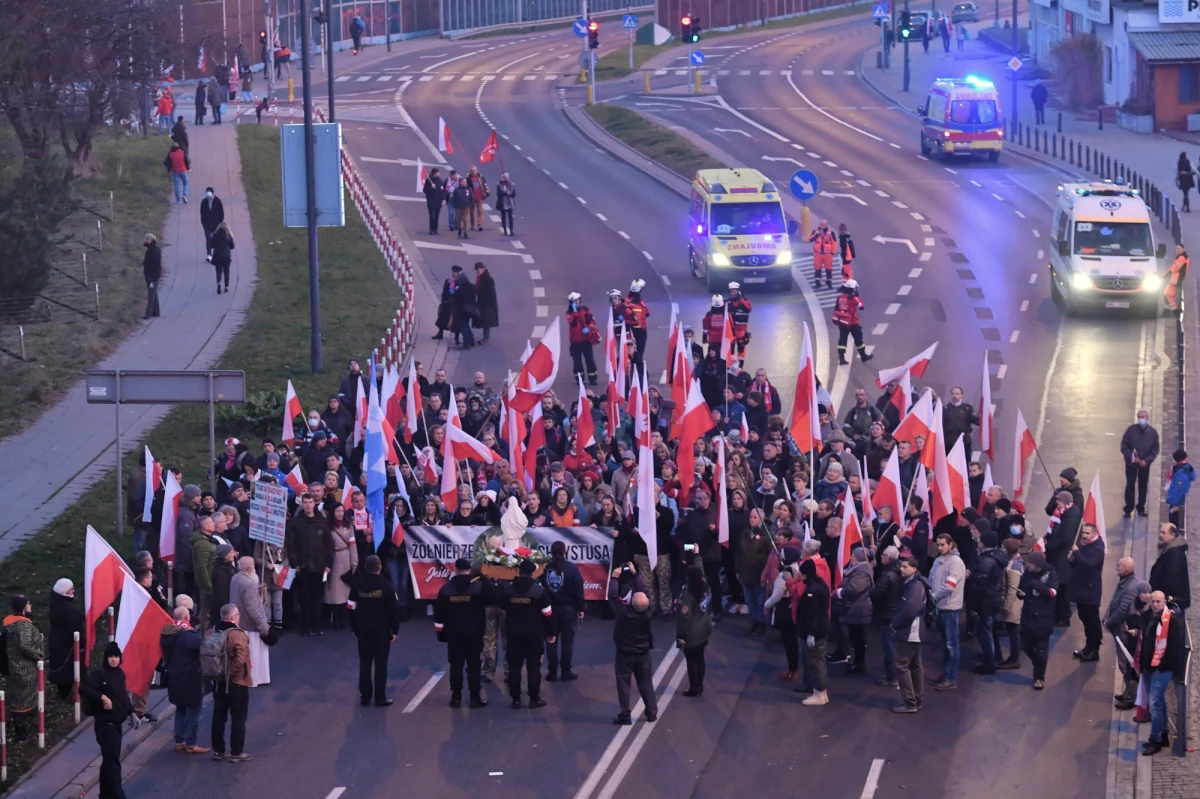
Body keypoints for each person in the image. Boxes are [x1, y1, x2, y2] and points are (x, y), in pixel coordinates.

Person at [497, 559, 556, 709]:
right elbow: (548, 614)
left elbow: (501, 605)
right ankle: (534, 698)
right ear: (532, 573)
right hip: (534, 635)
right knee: (534, 668)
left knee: (514, 667)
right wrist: (551, 632)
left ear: (519, 571)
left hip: (513, 635)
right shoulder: (539, 591)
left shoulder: (508, 590)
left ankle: (515, 699)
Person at [435, 558, 492, 708]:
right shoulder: (479, 587)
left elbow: (439, 614)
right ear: (469, 570)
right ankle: (474, 698)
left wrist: (440, 633)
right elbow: (494, 596)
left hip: (454, 634)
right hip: (474, 634)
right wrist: (485, 580)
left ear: (455, 569)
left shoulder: (446, 589)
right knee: (474, 666)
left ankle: (456, 697)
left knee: (456, 666)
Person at [79, 642, 132, 794]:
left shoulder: (120, 674)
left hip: (117, 724)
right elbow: (83, 688)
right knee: (113, 762)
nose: (113, 659)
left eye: (116, 656)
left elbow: (122, 696)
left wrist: (131, 711)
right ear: (106, 658)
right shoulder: (100, 674)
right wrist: (102, 697)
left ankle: (105, 794)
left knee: (109, 761)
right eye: (110, 656)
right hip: (106, 725)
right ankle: (117, 794)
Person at [1139, 591, 1187, 755]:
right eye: (1153, 601)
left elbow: (1175, 648)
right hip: (1148, 665)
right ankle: (1163, 734)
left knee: (1154, 704)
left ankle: (1156, 740)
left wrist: (1162, 664)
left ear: (1164, 602)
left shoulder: (1172, 621)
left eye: (1158, 601)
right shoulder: (1148, 617)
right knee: (1159, 702)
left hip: (1162, 667)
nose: (1155, 604)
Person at [349, 555, 401, 707]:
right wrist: (394, 630)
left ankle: (365, 697)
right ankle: (380, 697)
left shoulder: (357, 586)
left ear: (365, 568)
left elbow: (351, 608)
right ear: (380, 568)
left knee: (364, 663)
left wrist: (354, 628)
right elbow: (394, 611)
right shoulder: (387, 586)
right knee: (381, 665)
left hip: (363, 631)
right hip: (382, 632)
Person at [610, 563, 657, 725]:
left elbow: (613, 595)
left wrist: (615, 577)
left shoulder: (623, 613)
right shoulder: (648, 611)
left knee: (623, 683)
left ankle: (625, 714)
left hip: (625, 653)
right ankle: (651, 712)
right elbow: (645, 591)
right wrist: (636, 574)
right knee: (646, 683)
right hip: (643, 652)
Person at [286, 493, 333, 636]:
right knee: (304, 598)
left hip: (319, 566)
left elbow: (328, 544)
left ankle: (316, 625)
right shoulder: (296, 522)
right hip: (303, 566)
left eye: (310, 502)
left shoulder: (322, 521)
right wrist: (295, 564)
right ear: (302, 504)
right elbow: (291, 545)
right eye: (305, 502)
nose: (308, 505)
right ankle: (305, 626)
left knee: (317, 598)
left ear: (314, 504)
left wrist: (328, 563)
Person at [160, 606, 206, 754]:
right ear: (187, 618)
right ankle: (191, 744)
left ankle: (179, 741)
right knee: (194, 710)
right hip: (190, 678)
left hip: (174, 678)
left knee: (180, 709)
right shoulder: (189, 636)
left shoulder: (166, 634)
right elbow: (202, 644)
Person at [209, 605, 252, 762]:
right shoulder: (237, 634)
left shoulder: (212, 631)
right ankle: (236, 752)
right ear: (233, 618)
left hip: (217, 682)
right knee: (238, 718)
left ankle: (219, 751)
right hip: (237, 682)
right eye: (238, 615)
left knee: (219, 716)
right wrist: (230, 674)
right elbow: (241, 657)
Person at [965, 530, 1006, 675]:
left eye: (980, 540)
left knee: (985, 632)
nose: (978, 542)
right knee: (988, 630)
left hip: (986, 601)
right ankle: (994, 656)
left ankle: (989, 664)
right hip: (992, 599)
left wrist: (971, 577)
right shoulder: (996, 557)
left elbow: (980, 583)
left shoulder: (987, 561)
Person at [891, 557, 929, 713]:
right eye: (901, 566)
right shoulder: (915, 585)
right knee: (915, 666)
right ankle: (916, 699)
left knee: (902, 665)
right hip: (914, 629)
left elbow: (910, 609)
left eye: (905, 567)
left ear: (914, 568)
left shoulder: (915, 586)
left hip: (910, 630)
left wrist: (896, 623)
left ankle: (910, 702)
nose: (902, 569)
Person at [543, 541, 585, 682]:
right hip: (568, 610)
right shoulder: (572, 568)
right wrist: (580, 608)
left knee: (551, 640)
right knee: (567, 641)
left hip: (549, 610)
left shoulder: (545, 568)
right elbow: (578, 588)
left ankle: (552, 672)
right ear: (565, 551)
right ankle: (566, 671)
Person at [1018, 551, 1058, 690]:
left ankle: (1039, 677)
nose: (1028, 565)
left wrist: (1035, 584)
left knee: (1041, 650)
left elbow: (1052, 593)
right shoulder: (1028, 573)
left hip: (1043, 618)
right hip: (1028, 616)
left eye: (1031, 563)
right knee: (1025, 645)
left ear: (1038, 565)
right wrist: (1020, 593)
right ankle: (1038, 663)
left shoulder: (1051, 573)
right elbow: (1022, 586)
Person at [928, 533, 964, 690]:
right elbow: (932, 578)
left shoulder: (955, 563)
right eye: (939, 544)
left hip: (949, 608)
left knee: (951, 645)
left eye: (943, 544)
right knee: (945, 645)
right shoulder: (938, 560)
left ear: (951, 544)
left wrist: (934, 596)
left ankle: (951, 678)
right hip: (940, 607)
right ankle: (946, 674)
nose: (940, 547)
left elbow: (950, 585)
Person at [795, 557, 832, 706]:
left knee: (815, 662)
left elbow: (813, 614)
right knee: (819, 661)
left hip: (815, 633)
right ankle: (821, 692)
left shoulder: (812, 590)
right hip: (820, 630)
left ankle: (820, 693)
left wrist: (811, 632)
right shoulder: (819, 584)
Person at [1105, 558, 1141, 708]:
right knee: (1124, 664)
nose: (1116, 567)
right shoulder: (1125, 582)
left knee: (1126, 665)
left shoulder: (1130, 588)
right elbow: (1115, 602)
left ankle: (1131, 697)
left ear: (1126, 569)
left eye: (1119, 565)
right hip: (1119, 629)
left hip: (1123, 632)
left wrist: (1109, 622)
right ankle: (1129, 692)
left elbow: (1122, 611)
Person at [1069, 522, 1106, 661]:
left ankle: (1094, 649)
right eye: (1083, 533)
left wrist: (1077, 553)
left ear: (1095, 534)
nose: (1084, 536)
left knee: (1092, 621)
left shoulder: (1097, 549)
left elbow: (1088, 565)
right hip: (1081, 590)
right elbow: (1079, 563)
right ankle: (1088, 646)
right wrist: (1072, 560)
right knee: (1084, 619)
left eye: (1087, 533)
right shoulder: (1085, 545)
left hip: (1090, 592)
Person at [765, 547, 802, 681]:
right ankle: (794, 668)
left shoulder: (784, 575)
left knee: (788, 641)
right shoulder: (798, 569)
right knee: (792, 640)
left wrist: (766, 605)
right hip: (794, 608)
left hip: (784, 609)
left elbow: (777, 595)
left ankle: (793, 670)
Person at [1045, 489, 1081, 626]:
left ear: (1064, 501)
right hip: (1058, 555)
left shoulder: (1071, 516)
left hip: (1063, 557)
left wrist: (1049, 546)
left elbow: (1066, 538)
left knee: (1062, 587)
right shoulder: (1064, 512)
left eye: (1058, 501)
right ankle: (1058, 615)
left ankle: (1063, 617)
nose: (1056, 503)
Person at [677, 566, 714, 697]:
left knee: (691, 660)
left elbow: (685, 618)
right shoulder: (703, 587)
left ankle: (694, 687)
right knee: (700, 658)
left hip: (693, 632)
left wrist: (681, 636)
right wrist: (697, 556)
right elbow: (701, 571)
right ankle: (700, 685)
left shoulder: (687, 595)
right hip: (704, 628)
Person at [836, 547, 873, 674]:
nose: (850, 556)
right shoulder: (860, 569)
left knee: (858, 639)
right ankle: (856, 662)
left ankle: (858, 664)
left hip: (858, 610)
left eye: (852, 555)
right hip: (855, 609)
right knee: (856, 638)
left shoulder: (862, 572)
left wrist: (839, 592)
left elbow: (854, 589)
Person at [47, 580, 83, 701]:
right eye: (71, 588)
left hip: (56, 643)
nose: (73, 590)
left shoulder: (55, 604)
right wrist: (83, 642)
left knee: (60, 671)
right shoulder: (68, 608)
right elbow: (75, 627)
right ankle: (72, 697)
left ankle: (62, 695)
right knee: (70, 671)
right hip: (68, 646)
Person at [1120, 409, 1160, 517]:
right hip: (1131, 464)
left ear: (1147, 418)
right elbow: (1124, 446)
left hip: (1144, 465)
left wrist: (1146, 461)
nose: (1141, 419)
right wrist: (1132, 457)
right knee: (1130, 485)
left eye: (1143, 417)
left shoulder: (1152, 433)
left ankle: (1140, 507)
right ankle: (1128, 508)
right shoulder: (1131, 430)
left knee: (1143, 486)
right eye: (1139, 417)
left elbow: (1155, 449)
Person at [1149, 522, 1191, 609]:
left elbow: (1172, 579)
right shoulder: (1170, 548)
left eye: (1163, 533)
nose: (1160, 535)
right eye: (1160, 532)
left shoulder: (1174, 553)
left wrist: (1164, 598)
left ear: (1172, 535)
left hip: (1171, 602)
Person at [832, 280, 872, 365]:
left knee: (842, 339)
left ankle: (842, 359)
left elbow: (836, 308)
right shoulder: (853, 298)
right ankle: (863, 356)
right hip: (853, 322)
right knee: (858, 339)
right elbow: (861, 307)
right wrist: (858, 297)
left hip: (843, 322)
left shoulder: (840, 297)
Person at [566, 292, 600, 385]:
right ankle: (579, 379)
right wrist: (575, 312)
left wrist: (588, 328)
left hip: (586, 340)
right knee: (577, 361)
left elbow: (592, 321)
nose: (577, 302)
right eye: (574, 301)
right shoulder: (569, 313)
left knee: (590, 359)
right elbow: (572, 322)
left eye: (578, 300)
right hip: (575, 342)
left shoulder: (585, 310)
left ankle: (593, 377)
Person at [726, 282, 753, 366]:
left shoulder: (745, 301)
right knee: (730, 349)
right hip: (730, 330)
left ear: (738, 291)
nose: (733, 293)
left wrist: (740, 300)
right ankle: (730, 366)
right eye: (731, 291)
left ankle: (740, 366)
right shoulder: (728, 302)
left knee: (741, 348)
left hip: (741, 330)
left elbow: (748, 309)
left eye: (734, 291)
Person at [473, 262, 498, 345]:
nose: (477, 271)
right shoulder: (481, 277)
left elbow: (491, 293)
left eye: (478, 269)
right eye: (476, 269)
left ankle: (486, 338)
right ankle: (485, 337)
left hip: (487, 304)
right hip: (483, 303)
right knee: (484, 321)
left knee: (486, 322)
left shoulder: (488, 279)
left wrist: (488, 303)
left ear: (482, 268)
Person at [809, 219, 836, 289]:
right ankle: (817, 284)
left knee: (829, 269)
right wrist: (816, 234)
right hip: (818, 254)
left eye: (823, 225)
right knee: (817, 269)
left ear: (826, 225)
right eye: (821, 225)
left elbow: (834, 243)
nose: (822, 227)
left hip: (828, 254)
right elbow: (810, 239)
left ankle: (829, 283)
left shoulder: (830, 232)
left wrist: (832, 252)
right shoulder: (816, 231)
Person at [454, 269, 478, 349]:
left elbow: (456, 300)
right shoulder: (472, 287)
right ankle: (471, 341)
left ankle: (466, 343)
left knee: (463, 327)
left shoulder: (460, 290)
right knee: (467, 325)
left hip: (461, 311)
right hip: (469, 310)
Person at [209, 221, 235, 294]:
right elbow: (232, 247)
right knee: (226, 271)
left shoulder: (215, 235)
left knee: (218, 270)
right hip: (227, 256)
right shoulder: (229, 235)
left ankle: (219, 283)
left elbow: (211, 245)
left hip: (218, 255)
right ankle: (226, 287)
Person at [142, 233, 162, 319]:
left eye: (145, 239)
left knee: (151, 293)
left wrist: (154, 275)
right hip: (150, 275)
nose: (144, 241)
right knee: (153, 292)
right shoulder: (152, 250)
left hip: (152, 276)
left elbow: (156, 264)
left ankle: (148, 313)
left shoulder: (153, 251)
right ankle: (156, 311)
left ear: (150, 240)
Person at [200, 188, 224, 256]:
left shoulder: (217, 201)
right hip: (206, 224)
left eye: (209, 194)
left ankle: (216, 253)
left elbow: (221, 213)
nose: (208, 197)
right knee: (208, 239)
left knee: (216, 239)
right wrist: (203, 222)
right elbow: (202, 212)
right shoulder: (204, 202)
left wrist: (219, 223)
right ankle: (209, 254)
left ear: (212, 194)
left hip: (216, 224)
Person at [1166, 245, 1189, 312]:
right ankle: (1174, 309)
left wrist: (1168, 274)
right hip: (1175, 279)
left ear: (1183, 249)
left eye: (1179, 248)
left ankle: (1175, 310)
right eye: (1177, 248)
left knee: (1169, 295)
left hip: (1176, 280)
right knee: (1171, 295)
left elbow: (1175, 268)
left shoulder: (1182, 257)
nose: (1178, 250)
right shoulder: (1179, 257)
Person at [466, 166, 490, 231]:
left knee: (480, 211)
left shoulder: (481, 177)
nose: (473, 172)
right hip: (472, 198)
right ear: (470, 171)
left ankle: (480, 225)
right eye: (472, 170)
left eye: (474, 170)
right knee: (471, 212)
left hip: (480, 196)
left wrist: (487, 191)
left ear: (477, 171)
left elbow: (485, 184)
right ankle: (472, 225)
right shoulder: (468, 178)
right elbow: (466, 188)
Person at [423, 167, 445, 234]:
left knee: (437, 216)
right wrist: (430, 187)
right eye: (438, 173)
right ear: (435, 173)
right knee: (431, 216)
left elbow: (442, 191)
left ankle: (435, 229)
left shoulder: (440, 180)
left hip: (438, 202)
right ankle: (431, 229)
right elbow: (424, 190)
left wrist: (443, 199)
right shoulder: (428, 181)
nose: (439, 174)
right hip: (431, 202)